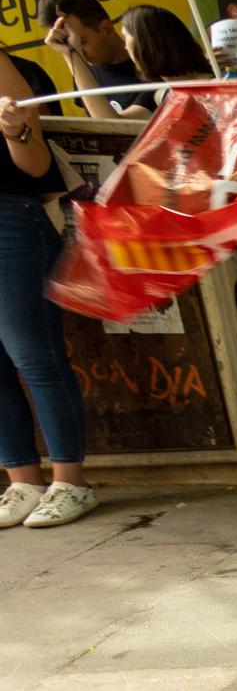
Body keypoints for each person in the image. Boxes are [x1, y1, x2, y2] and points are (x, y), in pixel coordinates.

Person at [0, 57, 96, 528]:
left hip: (8, 219)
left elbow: (35, 163)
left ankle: (71, 481)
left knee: (36, 357)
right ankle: (22, 481)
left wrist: (15, 131)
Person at [38, 0, 147, 116]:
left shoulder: (152, 68)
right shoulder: (83, 67)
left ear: (107, 29)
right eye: (68, 43)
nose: (77, 50)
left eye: (81, 41)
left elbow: (111, 127)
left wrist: (72, 55)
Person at [104, 6, 212, 116]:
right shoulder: (161, 95)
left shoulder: (216, 85)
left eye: (126, 37)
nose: (125, 46)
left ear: (145, 43)